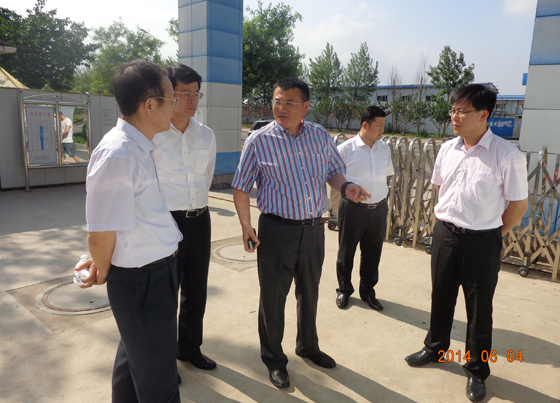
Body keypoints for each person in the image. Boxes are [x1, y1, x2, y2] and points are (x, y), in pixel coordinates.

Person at [232, 77, 370, 389]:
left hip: (313, 230)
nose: (281, 108)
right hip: (276, 231)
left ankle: (308, 346)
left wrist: (346, 187)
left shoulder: (320, 135)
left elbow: (333, 172)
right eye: (277, 102)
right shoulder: (259, 140)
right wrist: (246, 226)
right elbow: (240, 187)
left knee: (309, 292)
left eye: (290, 103)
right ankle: (274, 358)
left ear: (305, 107)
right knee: (273, 298)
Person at [404, 84, 528, 402]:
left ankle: (476, 369)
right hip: (445, 234)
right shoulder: (448, 149)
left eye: (462, 111)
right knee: (441, 296)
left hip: (482, 241)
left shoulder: (507, 155)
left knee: (479, 308)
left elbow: (518, 206)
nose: (454, 117)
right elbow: (441, 189)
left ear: (483, 115)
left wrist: (492, 234)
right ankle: (435, 348)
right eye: (453, 110)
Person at [81, 60, 183, 403]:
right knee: (158, 381)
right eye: (171, 98)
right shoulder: (118, 154)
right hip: (142, 283)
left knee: (133, 366)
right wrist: (102, 267)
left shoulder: (138, 146)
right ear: (150, 105)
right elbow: (100, 233)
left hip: (152, 276)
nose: (176, 105)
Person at [153, 64, 217, 370]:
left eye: (196, 94)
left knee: (196, 289)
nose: (192, 100)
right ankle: (163, 360)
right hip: (166, 222)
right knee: (165, 294)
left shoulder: (206, 135)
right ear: (169, 94)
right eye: (184, 93)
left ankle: (190, 348)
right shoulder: (154, 135)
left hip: (200, 219)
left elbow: (207, 178)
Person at [335, 106, 393, 311]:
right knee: (346, 251)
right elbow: (335, 177)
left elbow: (386, 175)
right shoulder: (346, 149)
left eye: (384, 126)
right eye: (379, 126)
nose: (382, 130)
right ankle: (344, 290)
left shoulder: (384, 148)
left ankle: (368, 291)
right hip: (353, 209)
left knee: (373, 253)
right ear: (365, 125)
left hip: (378, 209)